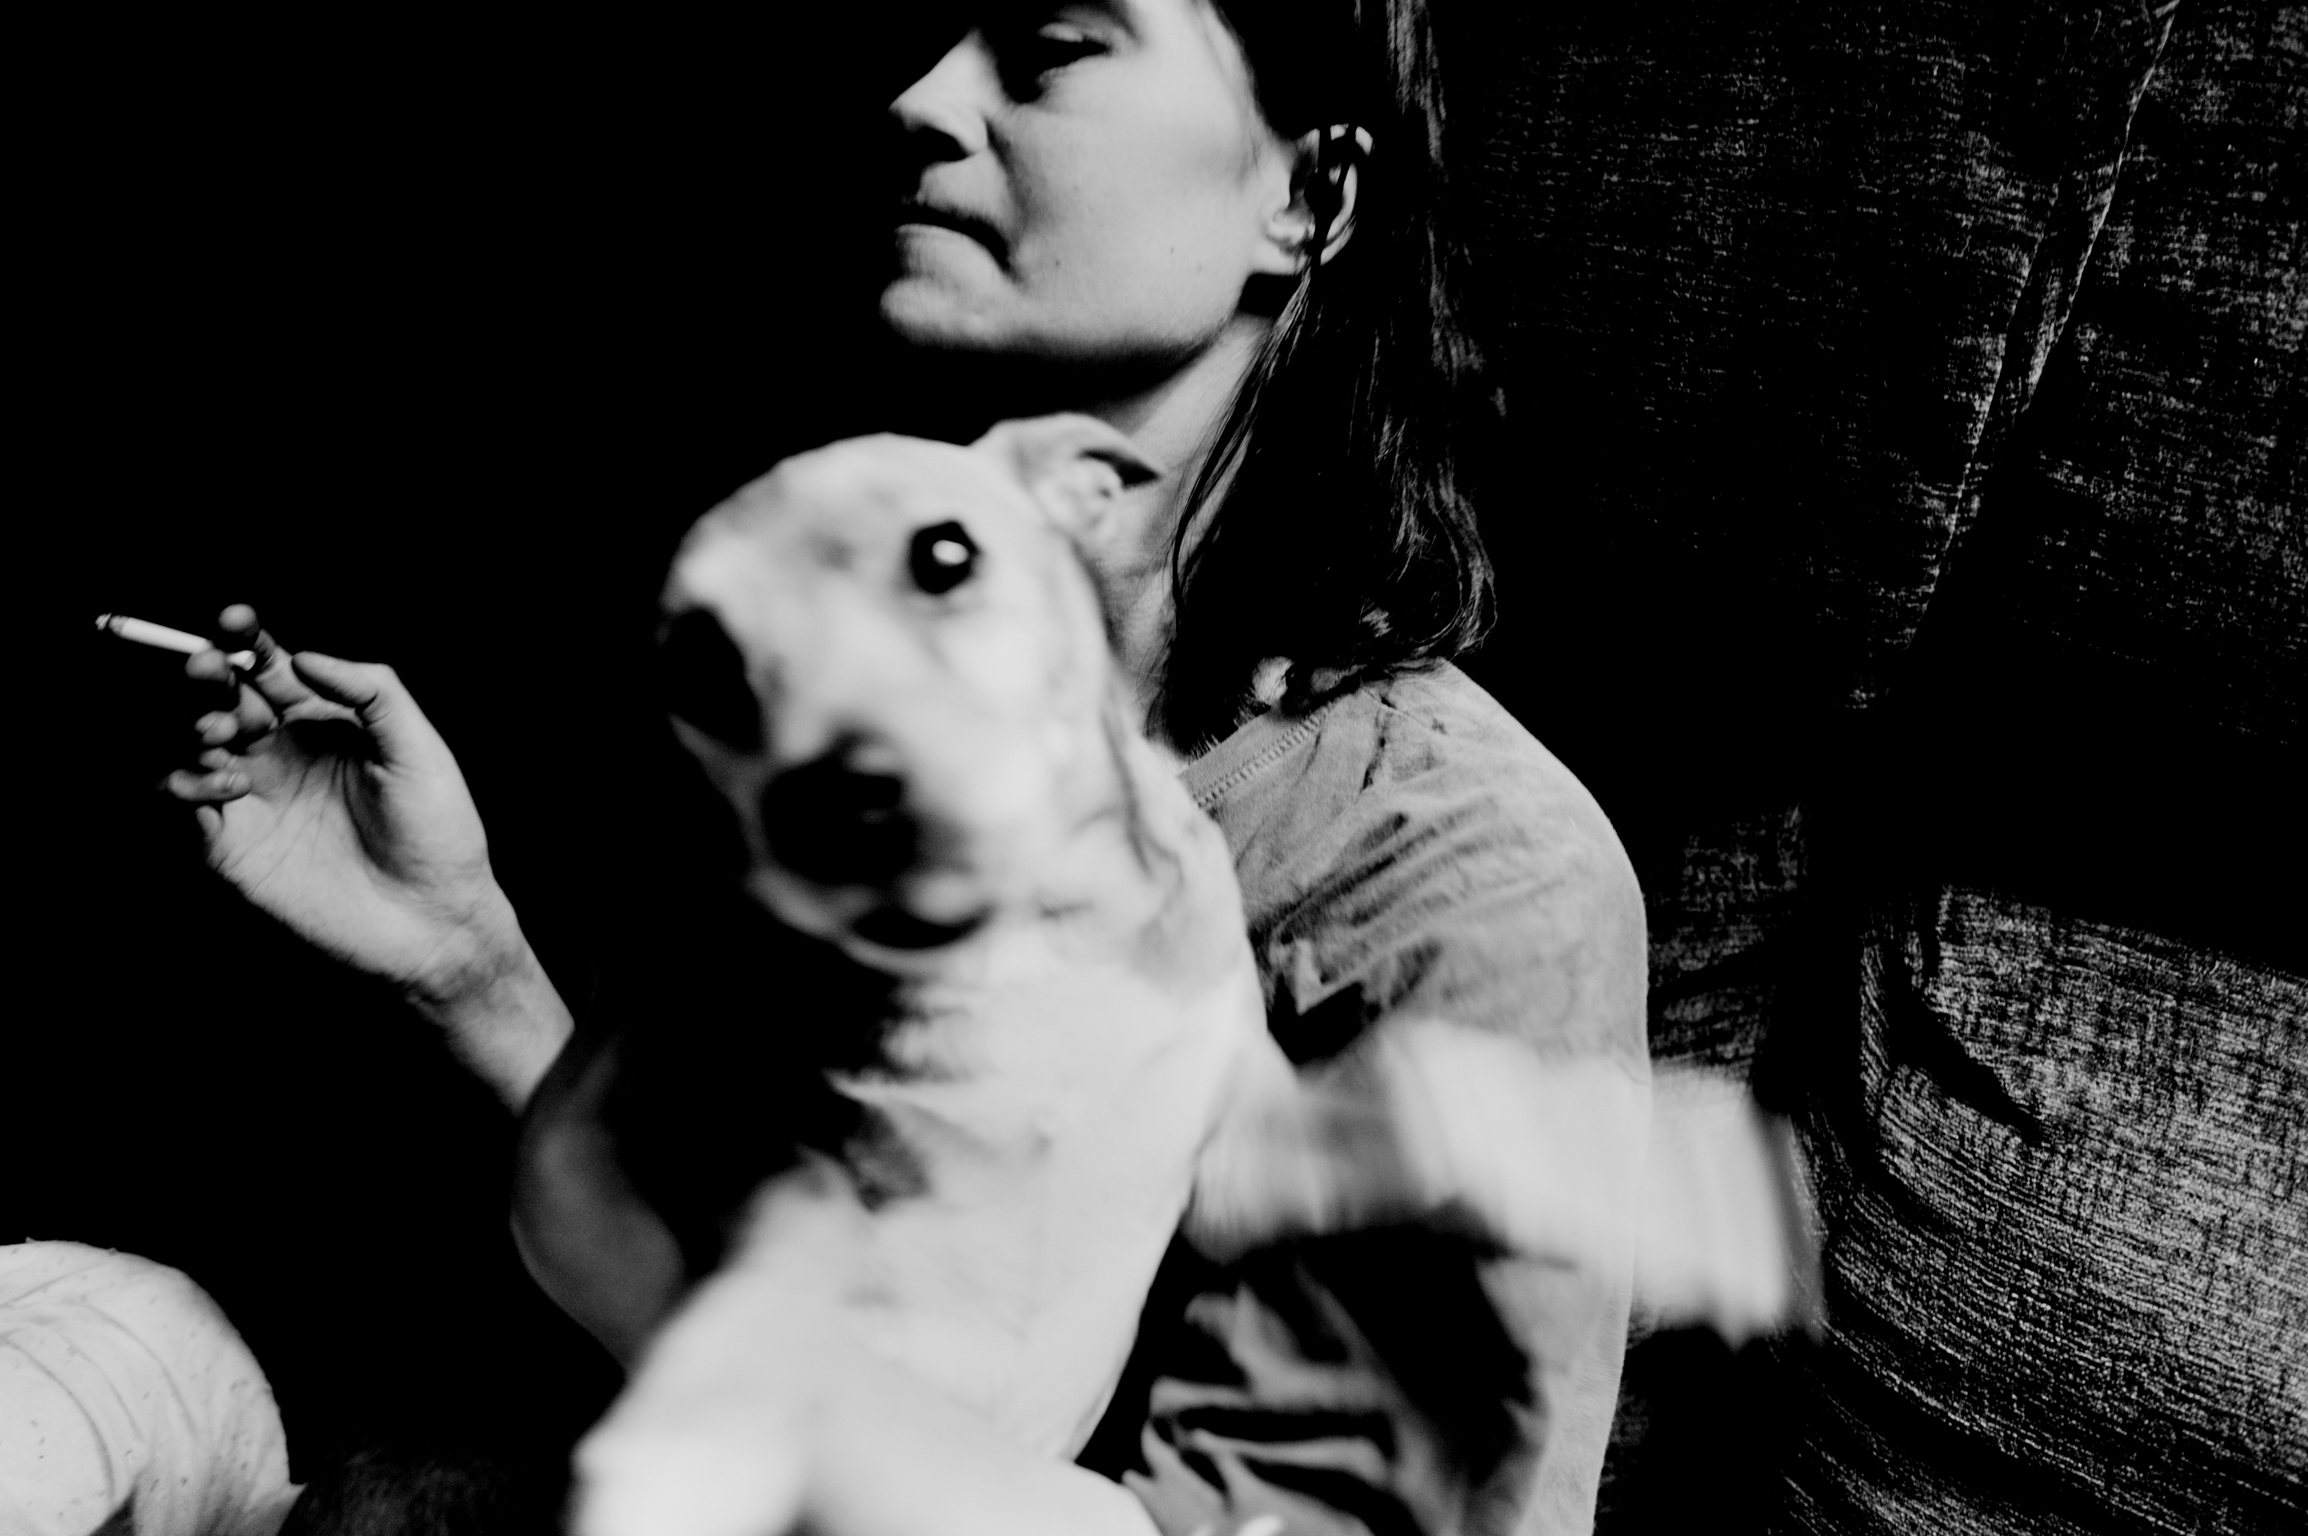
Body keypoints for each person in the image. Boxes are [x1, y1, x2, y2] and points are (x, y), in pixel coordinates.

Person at [165, 4, 1650, 1532]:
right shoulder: (827, 696)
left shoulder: (1463, 876)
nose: (921, 99)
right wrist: (461, 961)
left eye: (1052, 49)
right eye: (937, 35)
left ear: (1307, 196)